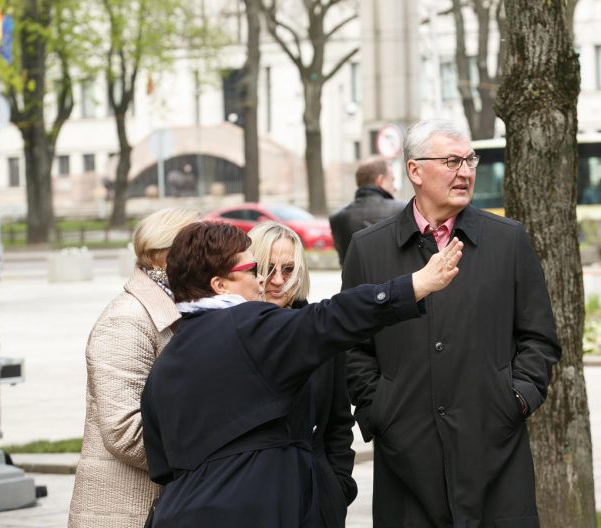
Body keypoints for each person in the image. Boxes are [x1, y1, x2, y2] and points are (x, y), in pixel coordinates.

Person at [140, 221, 463, 527]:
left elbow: (163, 466)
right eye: (252, 270)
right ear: (220, 284)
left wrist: (333, 490)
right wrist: (413, 286)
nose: (263, 281)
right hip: (252, 511)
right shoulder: (248, 328)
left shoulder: (166, 363)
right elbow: (328, 319)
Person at [342, 119, 561, 527]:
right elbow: (354, 344)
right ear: (414, 171)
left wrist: (514, 400)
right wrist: (379, 410)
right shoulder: (369, 249)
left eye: (470, 160)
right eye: (451, 161)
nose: (465, 172)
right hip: (405, 453)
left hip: (494, 447)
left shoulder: (508, 240)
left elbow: (539, 338)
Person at [68, 207, 200, 528]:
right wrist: (204, 456)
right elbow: (124, 432)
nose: (205, 255)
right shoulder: (126, 319)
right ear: (160, 257)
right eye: (194, 247)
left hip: (163, 503)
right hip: (127, 510)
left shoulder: (179, 310)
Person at [247, 222, 356, 527]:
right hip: (249, 501)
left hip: (314, 498)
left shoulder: (321, 334)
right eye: (268, 268)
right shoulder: (229, 335)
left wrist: (337, 487)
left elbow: (338, 423)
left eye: (289, 269)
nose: (278, 280)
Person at [329, 156, 406, 265]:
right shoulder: (403, 210)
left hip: (355, 282)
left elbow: (344, 261)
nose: (395, 187)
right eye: (392, 180)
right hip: (397, 281)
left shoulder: (337, 218)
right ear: (380, 180)